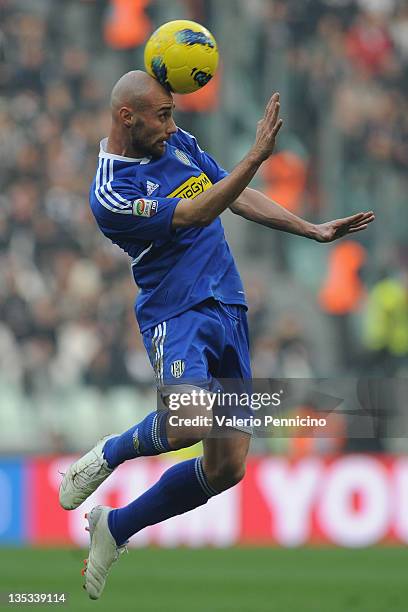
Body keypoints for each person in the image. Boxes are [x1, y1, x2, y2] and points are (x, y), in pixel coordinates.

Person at [59, 70, 374, 599]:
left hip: (228, 304)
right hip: (177, 312)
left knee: (227, 466)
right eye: (161, 115)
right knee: (187, 425)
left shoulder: (175, 140)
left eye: (172, 113)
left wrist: (310, 228)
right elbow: (196, 210)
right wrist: (255, 157)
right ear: (125, 117)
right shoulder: (111, 191)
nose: (171, 124)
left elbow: (230, 194)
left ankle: (114, 528)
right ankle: (107, 455)